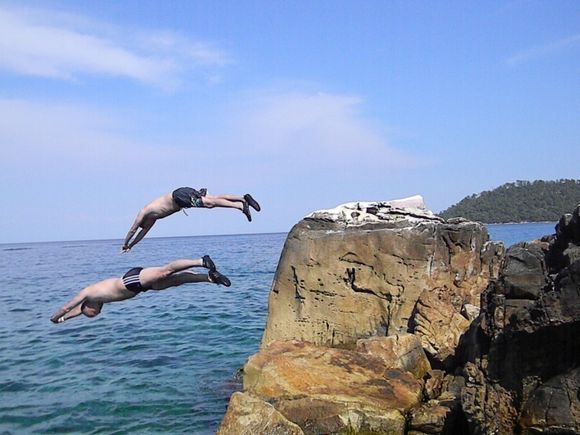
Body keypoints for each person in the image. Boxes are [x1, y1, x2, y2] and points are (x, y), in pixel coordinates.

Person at [50, 255, 230, 323]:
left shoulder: (88, 293)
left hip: (131, 280)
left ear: (88, 305)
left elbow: (67, 307)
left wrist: (55, 317)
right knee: (176, 281)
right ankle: (210, 278)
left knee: (165, 271)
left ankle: (200, 261)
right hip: (140, 287)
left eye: (92, 313)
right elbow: (74, 312)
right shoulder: (97, 300)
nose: (96, 313)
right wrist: (63, 319)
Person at [121, 188, 261, 252]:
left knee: (210, 203)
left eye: (144, 225)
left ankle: (240, 207)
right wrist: (131, 246)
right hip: (181, 198)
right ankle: (243, 198)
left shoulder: (144, 212)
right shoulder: (152, 219)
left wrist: (125, 243)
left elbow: (133, 230)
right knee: (213, 199)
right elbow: (141, 234)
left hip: (178, 197)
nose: (146, 227)